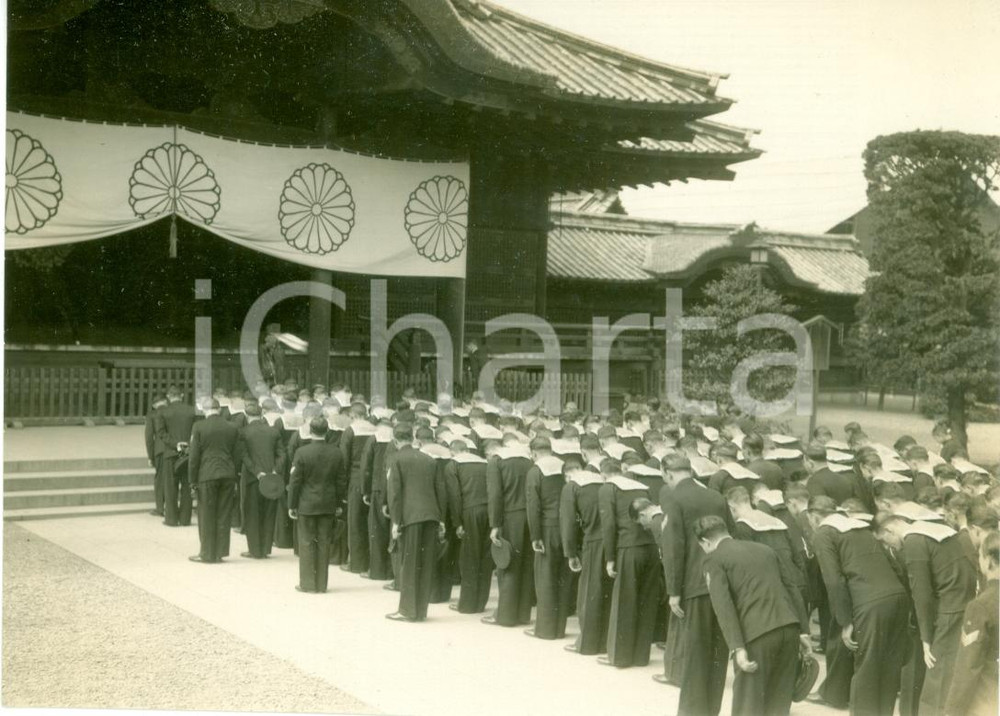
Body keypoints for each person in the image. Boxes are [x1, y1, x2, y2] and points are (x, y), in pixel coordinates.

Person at [695, 515, 812, 716]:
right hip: (789, 628)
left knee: (747, 705)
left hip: (758, 636)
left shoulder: (713, 559)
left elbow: (724, 607)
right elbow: (792, 590)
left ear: (705, 542)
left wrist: (737, 647)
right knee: (779, 703)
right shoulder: (765, 550)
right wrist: (803, 631)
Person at [808, 497, 910, 716]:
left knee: (866, 671)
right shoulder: (862, 528)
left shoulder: (824, 533)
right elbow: (895, 566)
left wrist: (845, 622)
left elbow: (834, 581)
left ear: (814, 516)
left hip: (870, 604)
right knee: (889, 669)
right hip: (897, 599)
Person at [873, 513, 977, 715]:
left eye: (885, 541)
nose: (889, 547)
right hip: (962, 602)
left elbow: (921, 594)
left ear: (889, 530)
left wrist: (926, 639)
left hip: (950, 609)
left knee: (938, 678)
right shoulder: (930, 528)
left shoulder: (913, 541)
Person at [661, 453, 731, 716]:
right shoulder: (716, 496)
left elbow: (673, 547)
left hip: (692, 583)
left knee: (694, 652)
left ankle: (691, 711)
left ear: (668, 473)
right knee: (716, 651)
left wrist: (673, 591)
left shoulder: (674, 498)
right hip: (720, 580)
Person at [597, 459, 662, 668]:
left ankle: (619, 656)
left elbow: (608, 525)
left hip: (628, 548)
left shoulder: (608, 489)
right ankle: (641, 655)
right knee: (647, 601)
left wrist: (609, 558)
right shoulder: (643, 487)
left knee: (624, 602)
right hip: (650, 547)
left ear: (605, 475)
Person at [386, 423, 447, 622]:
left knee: (409, 564)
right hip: (431, 516)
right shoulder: (429, 460)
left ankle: (406, 610)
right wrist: (441, 519)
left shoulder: (396, 459)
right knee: (425, 564)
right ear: (413, 438)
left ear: (395, 441)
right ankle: (420, 610)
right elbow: (440, 491)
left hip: (410, 518)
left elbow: (395, 494)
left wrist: (395, 522)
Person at [560, 455, 612, 655]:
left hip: (593, 542)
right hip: (613, 542)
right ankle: (606, 641)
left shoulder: (572, 487)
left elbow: (568, 524)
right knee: (607, 592)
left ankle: (587, 643)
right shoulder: (604, 482)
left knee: (589, 592)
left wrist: (571, 553)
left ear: (567, 474)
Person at [945, 530, 998, 716]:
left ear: (988, 561)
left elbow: (968, 666)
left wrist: (952, 711)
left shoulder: (980, 606)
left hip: (988, 699)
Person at [288, 417, 343, 593]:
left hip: (307, 504)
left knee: (306, 543)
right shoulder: (336, 452)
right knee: (324, 543)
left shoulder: (302, 453)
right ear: (327, 432)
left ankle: (308, 583)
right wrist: (339, 502)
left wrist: (292, 505)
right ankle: (321, 584)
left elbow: (295, 481)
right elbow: (341, 481)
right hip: (328, 503)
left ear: (311, 431)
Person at [525, 437, 573, 639]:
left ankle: (545, 629)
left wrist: (535, 535)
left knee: (545, 578)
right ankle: (559, 628)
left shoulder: (535, 472)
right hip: (566, 527)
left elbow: (533, 506)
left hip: (546, 528)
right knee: (563, 578)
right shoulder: (564, 467)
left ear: (534, 453)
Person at [484, 439, 535, 627]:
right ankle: (523, 614)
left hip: (509, 517)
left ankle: (505, 616)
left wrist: (495, 524)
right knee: (526, 565)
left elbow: (495, 495)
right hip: (529, 518)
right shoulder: (529, 461)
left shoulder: (496, 461)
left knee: (507, 565)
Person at [188, 399, 240, 564]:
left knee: (206, 514)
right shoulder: (232, 426)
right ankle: (220, 552)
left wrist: (192, 480)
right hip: (228, 473)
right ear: (219, 409)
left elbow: (194, 456)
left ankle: (207, 553)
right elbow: (237, 453)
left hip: (207, 473)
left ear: (205, 410)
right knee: (223, 513)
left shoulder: (199, 427)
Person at [445, 440, 492, 613]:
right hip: (488, 511)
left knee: (469, 558)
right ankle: (481, 602)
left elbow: (455, 496)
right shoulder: (484, 463)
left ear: (452, 452)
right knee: (485, 558)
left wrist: (457, 523)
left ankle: (467, 604)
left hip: (470, 512)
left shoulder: (453, 465)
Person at [238, 402, 285, 559]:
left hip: (253, 478)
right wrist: (274, 471)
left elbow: (244, 456)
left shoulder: (244, 432)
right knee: (269, 513)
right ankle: (265, 548)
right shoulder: (273, 432)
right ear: (261, 414)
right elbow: (282, 454)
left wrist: (257, 472)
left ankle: (254, 550)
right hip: (272, 480)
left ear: (246, 415)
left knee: (252, 513)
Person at [340, 405, 376, 574]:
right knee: (369, 521)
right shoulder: (376, 430)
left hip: (355, 478)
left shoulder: (350, 430)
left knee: (354, 522)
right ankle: (371, 560)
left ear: (353, 415)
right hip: (372, 478)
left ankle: (356, 562)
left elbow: (344, 459)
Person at [154, 386, 197, 527]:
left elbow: (161, 433)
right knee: (186, 485)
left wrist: (176, 444)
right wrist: (187, 445)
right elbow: (196, 432)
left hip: (170, 453)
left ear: (168, 396)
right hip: (188, 453)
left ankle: (171, 519)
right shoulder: (192, 410)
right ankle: (185, 519)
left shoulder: (163, 412)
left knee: (170, 486)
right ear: (182, 395)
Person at [360, 421, 394, 581]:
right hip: (395, 488)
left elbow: (366, 467)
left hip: (378, 488)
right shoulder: (398, 437)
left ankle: (378, 570)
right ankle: (393, 570)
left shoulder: (374, 438)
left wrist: (365, 490)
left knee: (377, 530)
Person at [144, 392, 168, 517]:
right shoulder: (172, 411)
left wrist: (150, 456)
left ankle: (160, 508)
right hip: (177, 450)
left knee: (160, 480)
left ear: (154, 405)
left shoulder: (152, 414)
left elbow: (149, 437)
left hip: (160, 450)